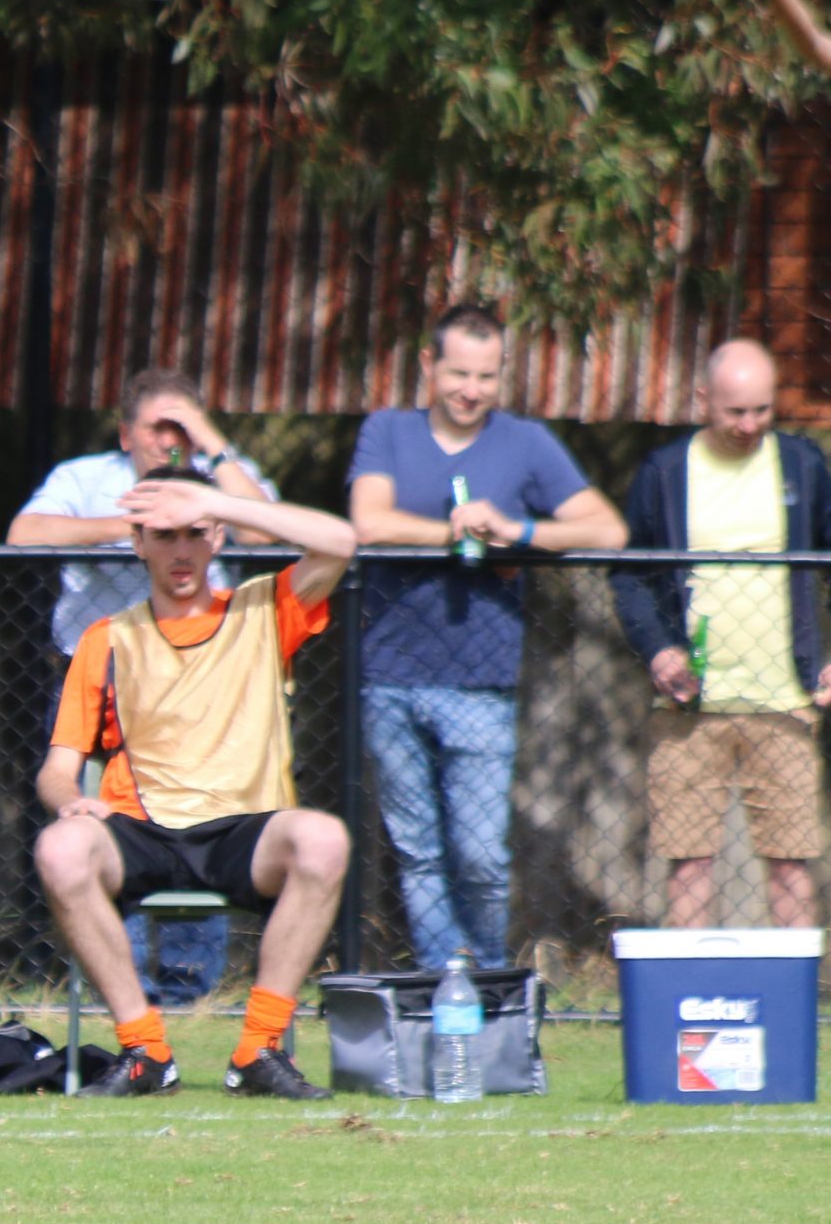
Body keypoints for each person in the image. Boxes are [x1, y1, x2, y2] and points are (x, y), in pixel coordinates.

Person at [34, 472, 358, 1100]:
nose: (180, 550)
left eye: (194, 533)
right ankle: (146, 1051)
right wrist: (69, 802)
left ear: (217, 537)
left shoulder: (264, 609)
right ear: (137, 542)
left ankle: (258, 1052)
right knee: (59, 849)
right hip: (140, 830)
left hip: (243, 830)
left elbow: (341, 540)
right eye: (164, 535)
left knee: (324, 840)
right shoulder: (106, 638)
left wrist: (215, 500)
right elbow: (56, 767)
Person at [347, 304, 626, 970]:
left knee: (479, 855)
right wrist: (453, 533)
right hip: (389, 673)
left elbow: (605, 530)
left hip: (483, 681)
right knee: (417, 853)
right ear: (428, 367)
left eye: (487, 375)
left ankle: (490, 984)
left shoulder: (526, 444)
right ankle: (451, 987)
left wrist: (519, 531)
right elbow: (368, 520)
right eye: (458, 373)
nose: (471, 389)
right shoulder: (386, 431)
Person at [9, 367, 278, 1004]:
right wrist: (140, 527)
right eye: (159, 426)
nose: (171, 439)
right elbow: (25, 534)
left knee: (202, 827)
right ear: (126, 434)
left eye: (183, 426)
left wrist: (209, 453)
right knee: (104, 831)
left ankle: (186, 995)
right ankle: (121, 993)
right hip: (96, 676)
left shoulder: (223, 477)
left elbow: (268, 533)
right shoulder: (86, 478)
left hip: (201, 694)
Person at [611, 339, 831, 928]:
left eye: (762, 410)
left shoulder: (804, 465)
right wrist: (658, 650)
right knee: (689, 862)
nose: (750, 424)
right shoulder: (664, 472)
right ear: (703, 399)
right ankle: (691, 1002)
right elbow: (629, 578)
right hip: (688, 706)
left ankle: (801, 1009)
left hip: (785, 700)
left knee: (791, 862)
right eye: (736, 411)